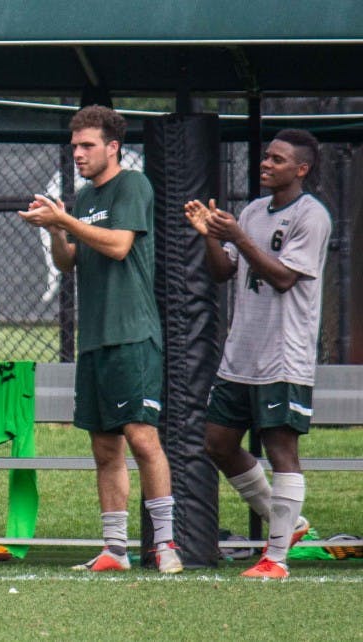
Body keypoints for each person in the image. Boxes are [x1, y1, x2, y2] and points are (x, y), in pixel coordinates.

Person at [19, 105, 182, 573]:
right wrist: (55, 229)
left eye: (87, 145)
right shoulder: (85, 197)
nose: (78, 154)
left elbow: (118, 245)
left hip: (132, 336)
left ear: (113, 147)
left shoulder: (133, 184)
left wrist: (65, 222)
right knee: (104, 447)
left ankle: (165, 546)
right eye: (74, 146)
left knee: (141, 437)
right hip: (94, 341)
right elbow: (69, 261)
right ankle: (115, 549)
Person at [184, 129, 330, 579]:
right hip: (241, 355)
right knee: (217, 444)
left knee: (281, 449)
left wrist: (241, 238)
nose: (266, 164)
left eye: (277, 159)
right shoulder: (250, 211)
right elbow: (223, 270)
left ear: (300, 169)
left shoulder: (311, 216)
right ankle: (290, 524)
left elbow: (285, 277)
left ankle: (277, 558)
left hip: (283, 357)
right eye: (266, 157)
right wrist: (211, 235)